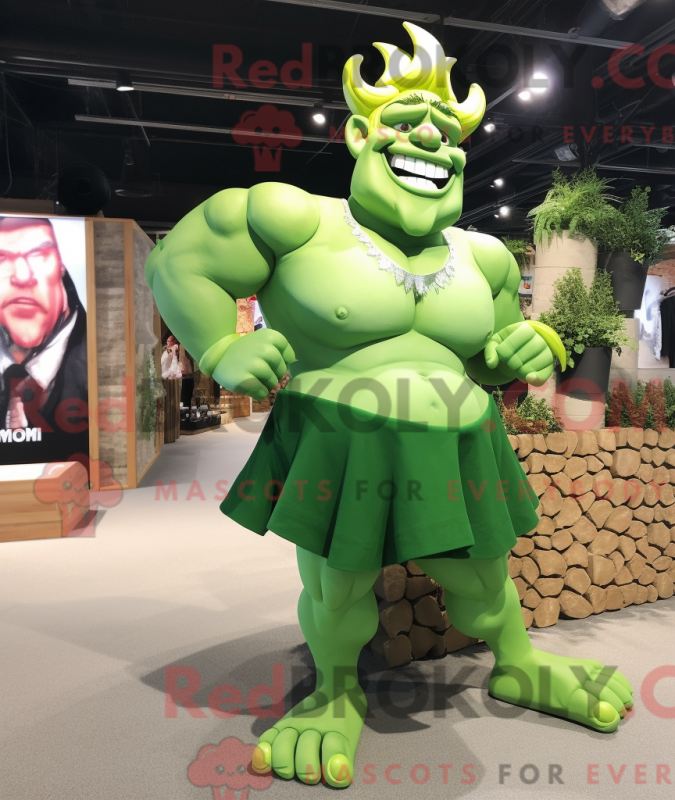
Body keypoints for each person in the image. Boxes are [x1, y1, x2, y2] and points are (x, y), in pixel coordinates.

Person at [146, 23, 633, 789]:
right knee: (338, 583)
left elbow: (488, 352)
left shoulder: (484, 256)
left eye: (450, 135)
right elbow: (178, 263)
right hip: (344, 439)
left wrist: (521, 346)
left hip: (458, 439)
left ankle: (518, 664)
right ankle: (334, 694)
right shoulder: (294, 219)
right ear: (361, 134)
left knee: (484, 583)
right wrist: (218, 347)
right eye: (410, 124)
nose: (433, 142)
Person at [0, 216, 88, 463]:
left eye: (38, 254)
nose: (22, 275)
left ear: (62, 264)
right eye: (1, 258)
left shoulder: (99, 360)